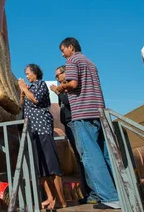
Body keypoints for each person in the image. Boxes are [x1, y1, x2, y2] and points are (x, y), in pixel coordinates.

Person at [53, 37, 120, 210]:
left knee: (90, 156)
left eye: (63, 50)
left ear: (71, 47)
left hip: (82, 112)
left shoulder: (73, 61)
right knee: (105, 155)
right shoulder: (90, 62)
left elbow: (73, 84)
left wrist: (59, 88)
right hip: (99, 112)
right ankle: (116, 192)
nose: (62, 54)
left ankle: (110, 196)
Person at [18, 64, 67, 210]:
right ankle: (50, 197)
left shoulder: (40, 85)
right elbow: (23, 105)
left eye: (28, 73)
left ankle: (61, 200)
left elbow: (36, 100)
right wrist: (22, 92)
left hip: (42, 129)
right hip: (32, 131)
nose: (26, 76)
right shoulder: (30, 88)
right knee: (40, 167)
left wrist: (25, 88)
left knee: (51, 165)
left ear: (35, 73)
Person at [51, 65, 98, 204]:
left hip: (75, 120)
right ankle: (88, 193)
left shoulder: (71, 86)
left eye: (58, 75)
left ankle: (95, 193)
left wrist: (58, 92)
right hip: (68, 123)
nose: (57, 78)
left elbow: (68, 102)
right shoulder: (63, 88)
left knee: (85, 156)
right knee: (80, 158)